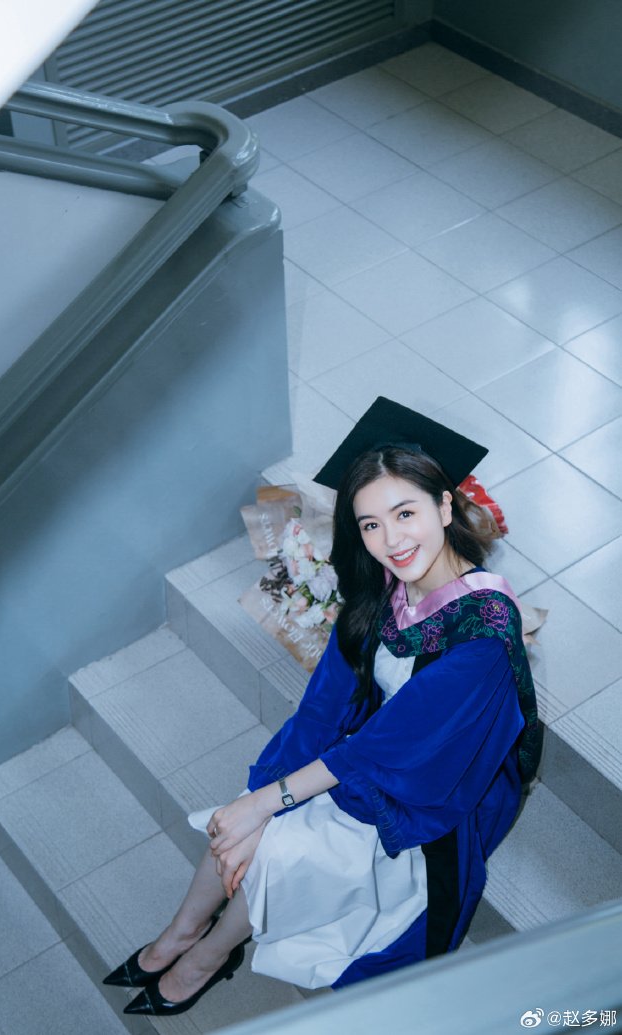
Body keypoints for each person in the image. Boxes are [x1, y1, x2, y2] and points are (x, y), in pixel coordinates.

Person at [104, 396, 542, 1015]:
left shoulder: (483, 635)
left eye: (406, 513)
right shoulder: (389, 581)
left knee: (280, 848)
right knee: (237, 820)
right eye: (370, 524)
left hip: (428, 781)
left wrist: (270, 804)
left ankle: (207, 956)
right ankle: (182, 932)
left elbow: (398, 750)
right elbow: (326, 702)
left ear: (445, 507)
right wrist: (263, 792)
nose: (391, 541)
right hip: (371, 746)